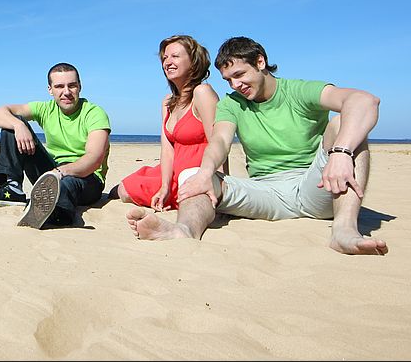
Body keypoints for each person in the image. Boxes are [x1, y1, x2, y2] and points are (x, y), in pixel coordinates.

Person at [129, 36, 387, 256]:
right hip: (265, 192)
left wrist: (341, 152)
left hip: (316, 186)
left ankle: (344, 231)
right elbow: (219, 140)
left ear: (260, 62)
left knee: (346, 125)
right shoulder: (232, 104)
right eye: (228, 80)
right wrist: (206, 173)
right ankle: (183, 231)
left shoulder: (299, 91)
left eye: (239, 75)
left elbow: (364, 101)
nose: (236, 85)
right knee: (193, 175)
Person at [0, 62, 111, 229]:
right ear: (50, 89)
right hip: (53, 172)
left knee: (65, 184)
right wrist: (19, 126)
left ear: (80, 87)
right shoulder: (45, 109)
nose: (66, 92)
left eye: (72, 86)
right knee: (12, 124)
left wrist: (60, 173)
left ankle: (60, 214)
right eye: (59, 86)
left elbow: (94, 158)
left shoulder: (94, 113)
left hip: (88, 178)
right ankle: (12, 188)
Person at [110, 35, 226, 214]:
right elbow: (167, 149)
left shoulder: (203, 93)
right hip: (170, 172)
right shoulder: (168, 102)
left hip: (197, 172)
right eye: (165, 58)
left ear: (194, 62)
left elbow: (219, 144)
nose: (168, 62)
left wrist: (221, 183)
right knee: (121, 191)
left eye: (175, 56)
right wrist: (164, 186)